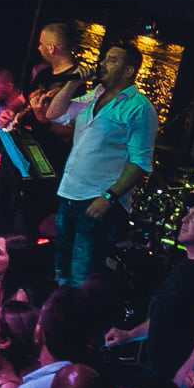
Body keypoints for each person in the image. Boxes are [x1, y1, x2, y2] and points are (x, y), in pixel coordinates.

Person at [40, 37, 156, 287]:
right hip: (69, 193)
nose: (103, 64)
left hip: (96, 200)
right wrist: (73, 83)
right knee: (60, 271)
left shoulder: (139, 108)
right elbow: (53, 114)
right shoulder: (95, 95)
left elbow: (140, 163)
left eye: (112, 61)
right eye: (104, 58)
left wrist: (109, 197)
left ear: (128, 70)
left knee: (82, 276)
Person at [111, 204, 194, 388]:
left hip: (176, 380)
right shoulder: (184, 265)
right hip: (156, 371)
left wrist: (181, 378)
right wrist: (130, 335)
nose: (184, 219)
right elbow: (166, 317)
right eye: (187, 214)